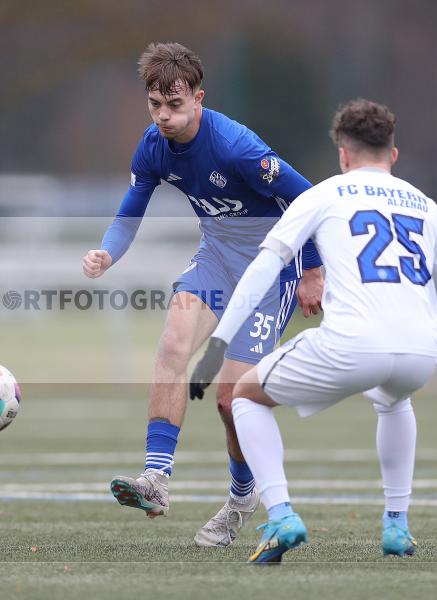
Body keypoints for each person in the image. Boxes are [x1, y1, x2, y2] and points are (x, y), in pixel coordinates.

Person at [190, 98, 437, 563]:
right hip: (420, 353)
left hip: (353, 342)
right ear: (393, 156)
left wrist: (218, 344)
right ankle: (397, 526)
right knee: (395, 400)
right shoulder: (426, 205)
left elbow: (263, 269)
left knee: (244, 396)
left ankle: (280, 516)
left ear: (343, 155)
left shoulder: (324, 194)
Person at [81, 42, 325, 547]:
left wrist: (313, 270)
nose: (164, 116)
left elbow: (310, 199)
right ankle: (156, 479)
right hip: (215, 259)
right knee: (172, 346)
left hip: (270, 269)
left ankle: (241, 499)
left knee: (230, 399)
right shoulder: (152, 147)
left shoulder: (238, 148)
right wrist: (107, 253)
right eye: (155, 105)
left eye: (175, 104)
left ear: (198, 98)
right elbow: (129, 215)